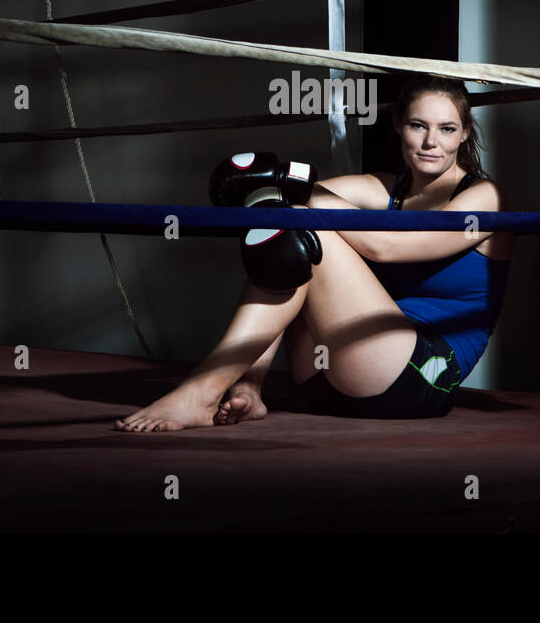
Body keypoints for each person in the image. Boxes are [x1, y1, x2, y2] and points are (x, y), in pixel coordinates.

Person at [114, 74, 512, 431]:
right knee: (287, 230)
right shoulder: (387, 189)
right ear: (398, 126)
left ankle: (204, 389)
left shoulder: (485, 196)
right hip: (329, 376)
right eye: (417, 125)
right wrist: (273, 185)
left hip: (418, 377)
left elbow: (385, 247)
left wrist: (298, 182)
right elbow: (284, 199)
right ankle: (251, 386)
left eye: (446, 129)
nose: (431, 142)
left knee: (308, 223)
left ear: (463, 134)